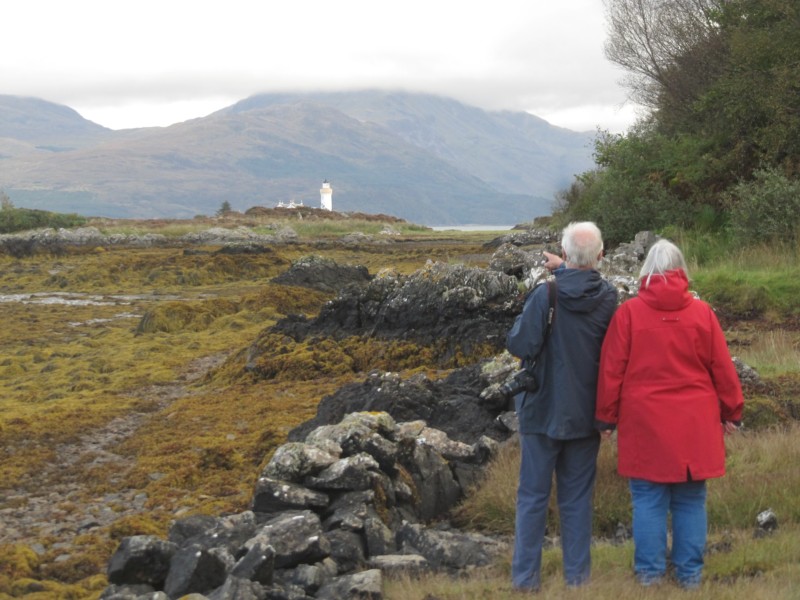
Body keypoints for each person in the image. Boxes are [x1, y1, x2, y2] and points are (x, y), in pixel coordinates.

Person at [595, 239, 744, 589]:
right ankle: (690, 576)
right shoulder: (702, 313)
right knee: (691, 500)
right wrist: (732, 412)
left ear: (647, 270)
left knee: (647, 499)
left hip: (644, 423)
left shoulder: (628, 314)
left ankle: (649, 576)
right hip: (695, 424)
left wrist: (606, 418)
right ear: (681, 271)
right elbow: (722, 368)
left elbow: (611, 371)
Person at [507, 221, 618, 591]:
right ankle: (578, 581)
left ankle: (525, 582)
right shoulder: (609, 298)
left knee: (532, 499)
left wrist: (558, 275)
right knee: (576, 501)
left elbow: (520, 344)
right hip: (586, 415)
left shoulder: (545, 295)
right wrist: (569, 269)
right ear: (601, 256)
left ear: (565, 253)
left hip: (540, 412)